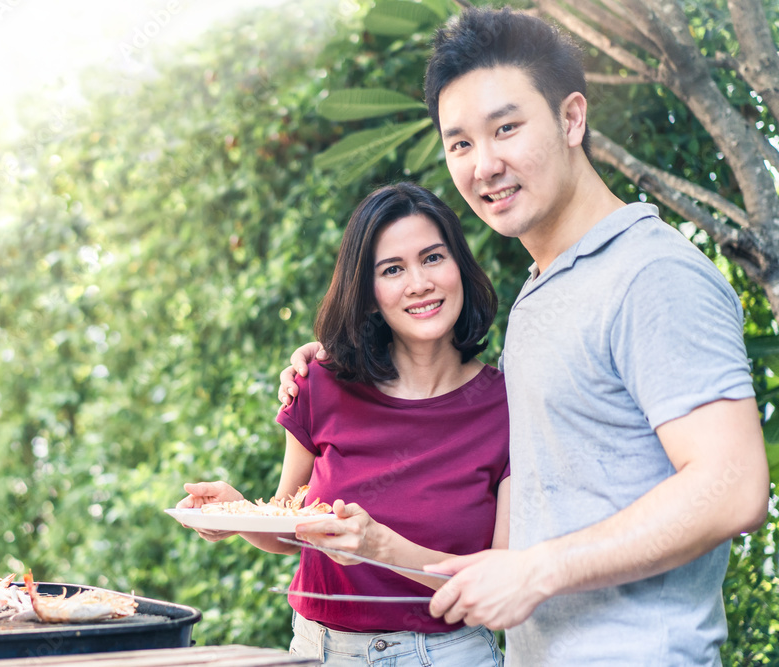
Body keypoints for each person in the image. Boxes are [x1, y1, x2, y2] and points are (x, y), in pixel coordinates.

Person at [279, 7, 770, 666]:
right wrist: (335, 360)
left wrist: (537, 570)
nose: (485, 164)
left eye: (506, 127)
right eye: (460, 143)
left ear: (572, 118)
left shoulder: (652, 274)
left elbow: (732, 485)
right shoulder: (542, 293)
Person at [179, 182, 509, 666]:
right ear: (369, 294)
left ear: (460, 266)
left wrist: (382, 548)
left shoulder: (505, 405)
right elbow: (291, 529)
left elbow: (501, 588)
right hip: (317, 650)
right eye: (392, 269)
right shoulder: (320, 384)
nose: (419, 282)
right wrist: (234, 513)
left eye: (433, 258)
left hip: (448, 656)